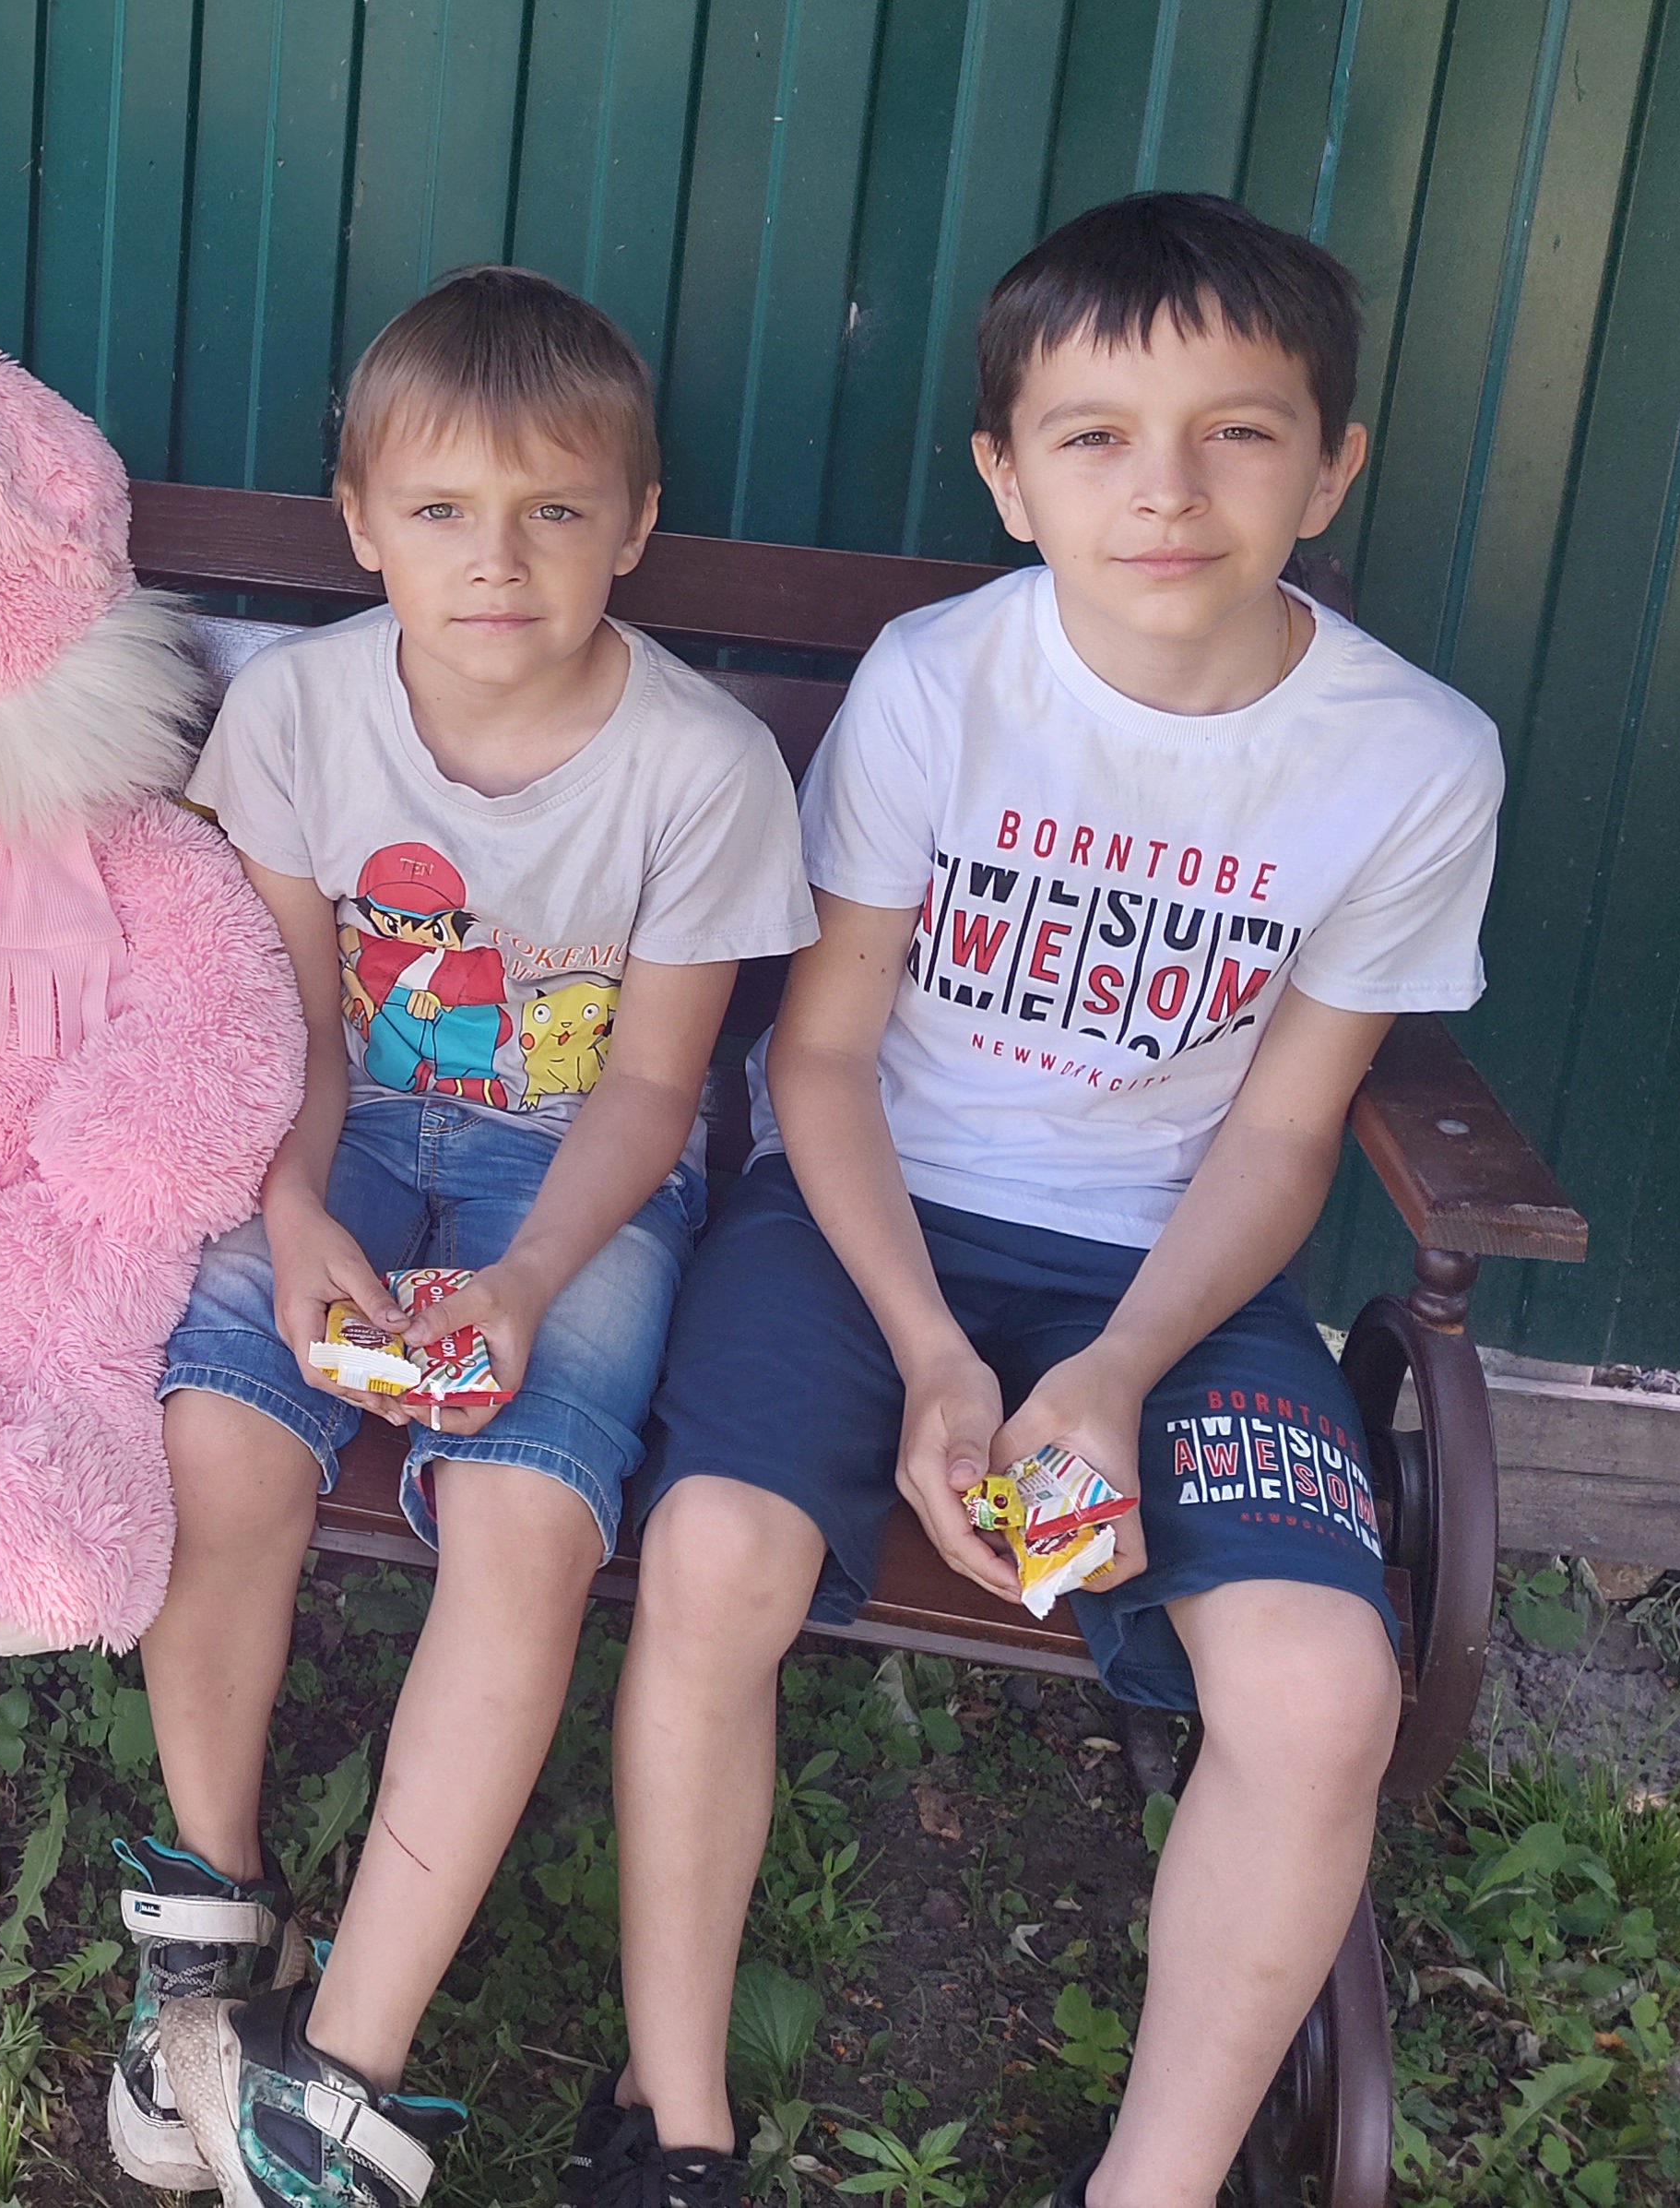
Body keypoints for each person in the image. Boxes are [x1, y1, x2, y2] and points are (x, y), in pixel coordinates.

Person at [586, 195, 1504, 2208]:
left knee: (1319, 1686)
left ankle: (1151, 2185)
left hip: (1177, 1272)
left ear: (1330, 467)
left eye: (1236, 433)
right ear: (1008, 479)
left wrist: (1116, 1366)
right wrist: (932, 1350)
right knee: (715, 1555)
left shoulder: (1412, 760)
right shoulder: (943, 682)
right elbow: (819, 1056)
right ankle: (673, 2125)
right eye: (1095, 437)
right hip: (866, 1222)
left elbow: (1282, 1134)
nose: (1164, 489)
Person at [118, 268, 816, 2207]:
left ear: (634, 525)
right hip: (335, 1133)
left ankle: (340, 2071)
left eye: (551, 511)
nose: (494, 560)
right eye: (438, 510)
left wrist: (520, 1281)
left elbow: (654, 1090)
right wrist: (287, 1208)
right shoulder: (298, 711)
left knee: (522, 1517)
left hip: (576, 1175)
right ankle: (214, 1918)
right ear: (358, 523)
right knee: (214, 1436)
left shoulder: (698, 766)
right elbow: (289, 1027)